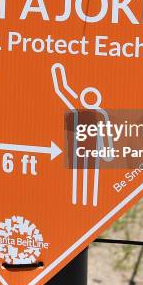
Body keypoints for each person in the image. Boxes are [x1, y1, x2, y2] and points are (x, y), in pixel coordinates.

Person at [51, 63, 113, 207]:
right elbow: (62, 90)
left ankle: (87, 200)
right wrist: (58, 73)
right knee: (79, 176)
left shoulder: (99, 113)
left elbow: (105, 133)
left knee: (91, 176)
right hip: (78, 149)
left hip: (91, 150)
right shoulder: (78, 110)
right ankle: (79, 199)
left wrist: (107, 152)